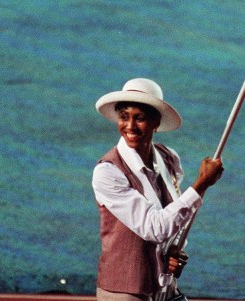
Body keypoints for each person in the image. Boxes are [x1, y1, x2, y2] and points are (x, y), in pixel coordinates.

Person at [92, 78, 224, 301]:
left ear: (156, 122)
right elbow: (155, 228)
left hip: (164, 288)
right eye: (124, 117)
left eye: (140, 118)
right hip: (126, 291)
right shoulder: (108, 172)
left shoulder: (168, 158)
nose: (130, 126)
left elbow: (173, 218)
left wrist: (173, 252)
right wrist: (201, 184)